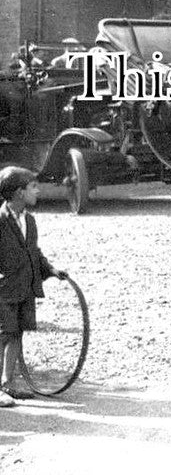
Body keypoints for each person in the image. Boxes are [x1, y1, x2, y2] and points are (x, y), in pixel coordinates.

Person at [0, 166, 68, 407]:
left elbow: (34, 252)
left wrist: (50, 270)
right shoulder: (0, 220)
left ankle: (7, 382)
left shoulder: (29, 220)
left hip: (24, 289)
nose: (37, 191)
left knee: (17, 333)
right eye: (32, 187)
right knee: (3, 335)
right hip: (4, 290)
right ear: (19, 193)